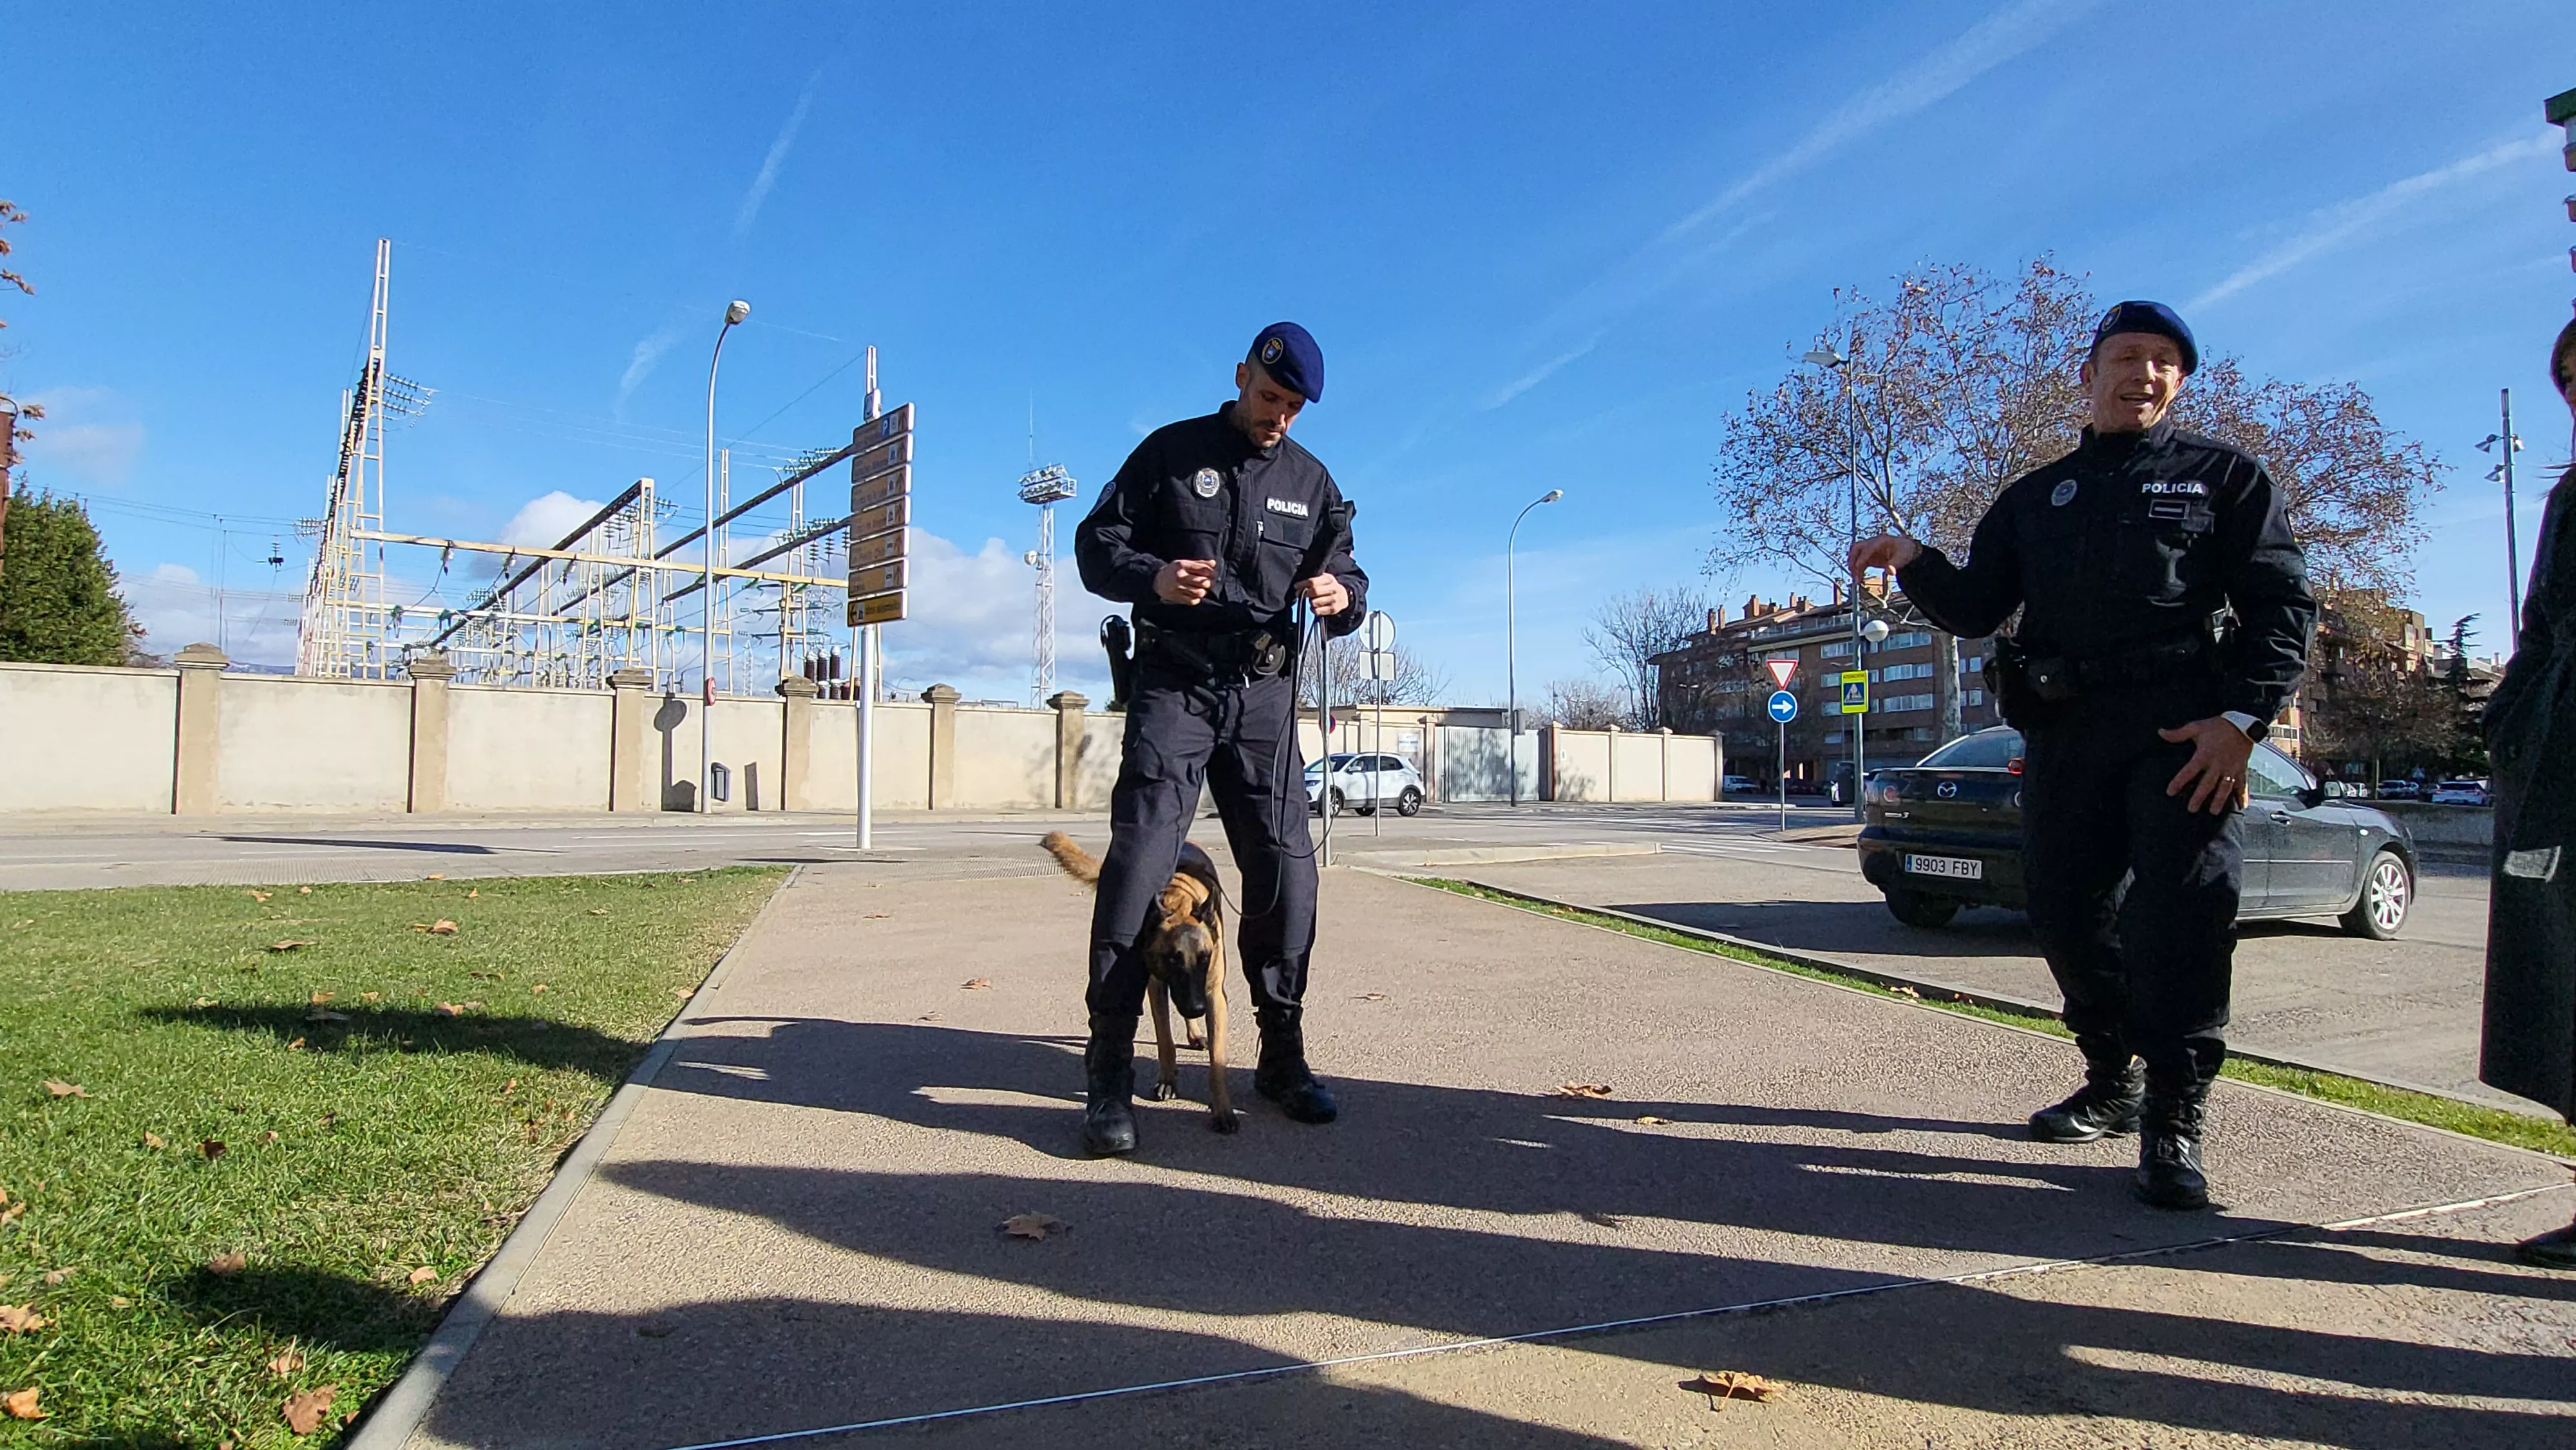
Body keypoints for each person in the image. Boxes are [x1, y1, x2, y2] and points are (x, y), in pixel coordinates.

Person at [1852, 301, 2316, 1209]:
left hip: (2183, 733)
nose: (2146, 374)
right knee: (2064, 912)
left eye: (2165, 363)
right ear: (2088, 372)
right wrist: (1913, 557)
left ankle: (2175, 1120)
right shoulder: (2035, 498)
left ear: (2179, 383)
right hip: (2066, 731)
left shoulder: (2224, 478)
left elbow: (2281, 606)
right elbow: (1979, 606)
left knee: (2179, 923)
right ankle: (2113, 1077)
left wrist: (2245, 720)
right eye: (2129, 357)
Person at [1070, 322, 1367, 1155]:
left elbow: (1350, 574)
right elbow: (1097, 545)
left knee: (1286, 875)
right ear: (1242, 378)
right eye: (1270, 398)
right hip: (1176, 686)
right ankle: (1107, 1073)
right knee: (1138, 866)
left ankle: (1283, 1054)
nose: (1279, 416)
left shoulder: (1312, 484)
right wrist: (1155, 576)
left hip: (1265, 698)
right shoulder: (1170, 455)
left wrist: (1341, 597)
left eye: (1294, 407)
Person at [2478, 315, 2576, 1270]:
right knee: (2565, 975)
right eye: (2572, 376)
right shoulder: (2568, 501)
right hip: (2560, 755)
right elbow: (2542, 625)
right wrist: (2508, 723)